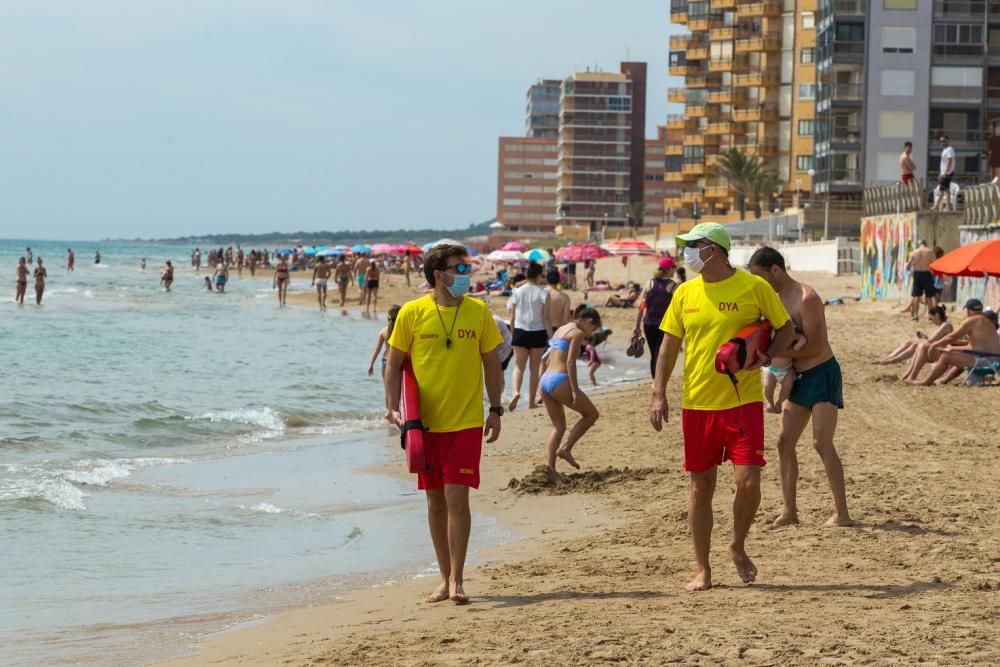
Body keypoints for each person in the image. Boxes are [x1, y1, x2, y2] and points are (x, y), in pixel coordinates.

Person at [649, 223, 795, 591]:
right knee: (701, 487)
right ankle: (702, 567)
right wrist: (658, 392)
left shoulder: (753, 286)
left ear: (713, 249)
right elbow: (668, 347)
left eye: (693, 245)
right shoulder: (684, 293)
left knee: (749, 484)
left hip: (742, 403)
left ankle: (737, 544)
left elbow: (786, 329)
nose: (688, 253)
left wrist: (765, 357)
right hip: (697, 404)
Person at [384, 243, 504, 605]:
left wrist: (496, 409)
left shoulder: (479, 312)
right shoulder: (412, 313)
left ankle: (458, 579)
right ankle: (442, 577)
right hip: (424, 426)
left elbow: (492, 363)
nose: (466, 274)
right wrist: (393, 409)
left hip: (466, 422)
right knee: (435, 502)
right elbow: (393, 363)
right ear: (439, 274)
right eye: (459, 268)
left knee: (457, 498)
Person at [748, 247, 853, 528]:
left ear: (776, 270)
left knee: (821, 442)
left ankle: (842, 513)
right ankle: (789, 511)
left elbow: (816, 345)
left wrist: (772, 356)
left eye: (760, 276)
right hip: (795, 376)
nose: (757, 282)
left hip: (822, 373)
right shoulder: (770, 299)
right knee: (784, 442)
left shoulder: (807, 298)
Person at [538, 305, 603, 471]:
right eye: (593, 329)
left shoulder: (561, 329)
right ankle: (566, 448)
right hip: (559, 380)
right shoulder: (578, 333)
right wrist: (575, 390)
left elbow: (544, 359)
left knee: (558, 427)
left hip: (545, 380)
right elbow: (570, 362)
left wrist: (540, 387)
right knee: (591, 414)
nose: (591, 334)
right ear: (589, 322)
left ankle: (550, 469)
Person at [904, 299, 1000, 385]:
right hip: (991, 360)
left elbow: (952, 337)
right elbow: (973, 347)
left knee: (946, 356)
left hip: (984, 362)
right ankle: (941, 380)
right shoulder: (985, 321)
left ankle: (925, 382)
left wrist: (934, 345)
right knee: (952, 354)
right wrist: (953, 348)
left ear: (968, 311)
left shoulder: (972, 321)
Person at [508, 262, 552, 412]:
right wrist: (551, 337)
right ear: (539, 275)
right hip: (538, 332)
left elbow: (512, 317)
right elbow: (546, 318)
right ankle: (531, 402)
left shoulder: (517, 292)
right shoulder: (544, 293)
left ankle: (515, 392)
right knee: (534, 369)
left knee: (518, 367)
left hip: (520, 331)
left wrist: (513, 334)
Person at [633, 257, 679, 377]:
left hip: (648, 324)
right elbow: (678, 308)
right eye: (673, 267)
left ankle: (655, 379)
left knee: (654, 353)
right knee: (660, 354)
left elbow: (642, 306)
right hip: (664, 325)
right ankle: (657, 380)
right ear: (668, 269)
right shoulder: (673, 285)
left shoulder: (650, 283)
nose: (674, 270)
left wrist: (636, 326)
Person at [876, 305, 951, 365]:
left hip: (941, 353)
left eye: (931, 319)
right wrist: (925, 336)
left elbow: (932, 341)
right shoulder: (943, 325)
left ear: (937, 315)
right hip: (937, 350)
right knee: (909, 342)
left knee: (915, 346)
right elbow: (935, 340)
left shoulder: (945, 325)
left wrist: (926, 338)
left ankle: (892, 360)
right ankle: (889, 358)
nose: (931, 321)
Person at [762, 328, 807, 414]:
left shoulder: (792, 335)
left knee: (788, 387)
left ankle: (779, 402)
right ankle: (770, 403)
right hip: (771, 368)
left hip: (787, 369)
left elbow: (802, 338)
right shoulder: (772, 333)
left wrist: (798, 345)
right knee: (768, 386)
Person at [368, 305, 402, 418]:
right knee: (401, 389)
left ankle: (390, 412)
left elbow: (376, 349)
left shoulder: (383, 331)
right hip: (401, 362)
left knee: (388, 389)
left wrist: (371, 364)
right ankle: (398, 412)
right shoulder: (403, 331)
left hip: (386, 362)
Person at [903, 239, 936, 320]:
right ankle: (930, 315)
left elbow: (908, 265)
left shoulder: (914, 252)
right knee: (929, 296)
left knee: (916, 296)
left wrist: (913, 265)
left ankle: (915, 315)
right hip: (927, 273)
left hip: (917, 274)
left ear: (919, 244)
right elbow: (934, 263)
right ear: (925, 244)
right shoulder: (929, 251)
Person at [932, 135, 956, 211]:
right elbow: (943, 163)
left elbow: (949, 161)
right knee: (944, 189)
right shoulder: (944, 150)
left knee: (943, 190)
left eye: (944, 141)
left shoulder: (949, 149)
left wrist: (945, 172)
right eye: (941, 141)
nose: (942, 143)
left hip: (947, 173)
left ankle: (940, 206)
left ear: (948, 141)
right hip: (944, 172)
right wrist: (940, 173)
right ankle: (944, 206)